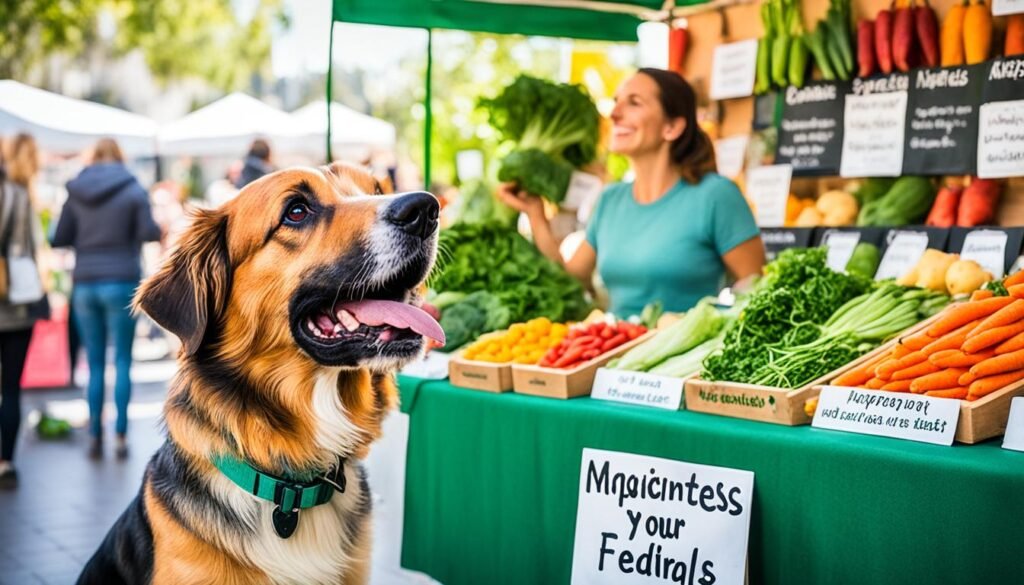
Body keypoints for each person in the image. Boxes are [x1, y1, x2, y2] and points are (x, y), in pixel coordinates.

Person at [499, 68, 765, 317]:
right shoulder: (610, 200)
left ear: (671, 127)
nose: (614, 113)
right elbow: (569, 279)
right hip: (618, 356)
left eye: (634, 102)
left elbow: (755, 286)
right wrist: (535, 213)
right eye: (616, 101)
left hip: (686, 360)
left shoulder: (715, 195)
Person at [52, 138, 161, 460]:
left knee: (95, 363)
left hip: (85, 283)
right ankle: (122, 433)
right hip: (122, 281)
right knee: (124, 361)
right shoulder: (133, 188)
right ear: (120, 157)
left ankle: (95, 433)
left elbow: (59, 237)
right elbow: (150, 232)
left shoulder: (75, 190)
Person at [0, 134, 45, 488]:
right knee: (12, 387)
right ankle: (6, 461)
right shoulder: (20, 194)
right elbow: (32, 249)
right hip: (17, 303)